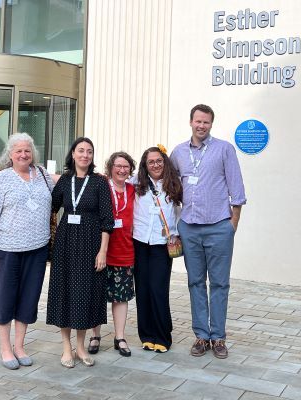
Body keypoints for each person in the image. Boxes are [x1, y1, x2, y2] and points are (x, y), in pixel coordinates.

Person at [170, 104, 246, 359]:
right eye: (198, 121)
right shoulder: (179, 152)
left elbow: (237, 190)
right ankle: (202, 336)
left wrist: (231, 225)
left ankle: (219, 337)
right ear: (190, 122)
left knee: (220, 283)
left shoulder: (224, 149)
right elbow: (167, 184)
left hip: (218, 227)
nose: (201, 126)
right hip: (190, 228)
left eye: (206, 122)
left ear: (211, 124)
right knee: (195, 283)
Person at [0, 132, 55, 370]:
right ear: (11, 155)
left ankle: (20, 346)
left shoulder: (43, 175)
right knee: (5, 299)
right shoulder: (2, 179)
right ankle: (5, 348)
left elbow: (68, 181)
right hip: (7, 250)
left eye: (27, 150)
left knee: (28, 298)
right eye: (19, 151)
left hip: (37, 249)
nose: (24, 154)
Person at [46, 137, 114, 368]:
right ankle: (66, 348)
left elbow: (107, 220)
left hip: (91, 245)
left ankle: (81, 347)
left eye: (90, 152)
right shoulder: (64, 181)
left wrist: (102, 251)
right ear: (73, 154)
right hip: (65, 244)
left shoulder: (99, 182)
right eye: (81, 151)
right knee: (65, 292)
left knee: (85, 295)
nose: (85, 155)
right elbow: (51, 208)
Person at [132, 145, 182, 353]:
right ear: (145, 165)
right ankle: (147, 335)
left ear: (165, 162)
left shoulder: (174, 184)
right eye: (151, 162)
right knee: (142, 290)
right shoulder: (136, 183)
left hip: (163, 244)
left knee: (158, 290)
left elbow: (181, 211)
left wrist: (176, 233)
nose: (155, 165)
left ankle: (162, 336)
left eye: (159, 161)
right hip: (140, 242)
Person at [88, 152, 136, 357]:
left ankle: (119, 336)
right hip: (99, 251)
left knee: (121, 297)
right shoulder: (101, 185)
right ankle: (95, 335)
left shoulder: (134, 190)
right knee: (96, 296)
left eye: (126, 167)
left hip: (125, 251)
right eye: (118, 166)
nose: (122, 170)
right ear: (110, 167)